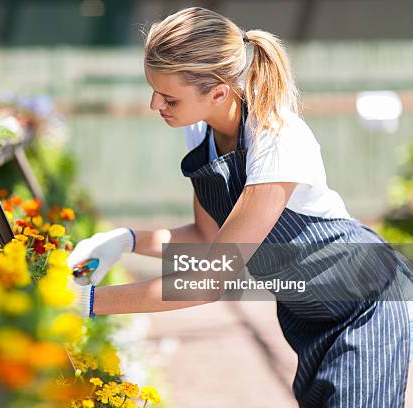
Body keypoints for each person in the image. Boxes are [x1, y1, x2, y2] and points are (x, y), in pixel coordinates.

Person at [66, 7, 413, 407]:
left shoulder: (276, 137)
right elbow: (206, 238)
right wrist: (124, 241)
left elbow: (210, 280)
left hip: (364, 302)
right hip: (307, 311)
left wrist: (87, 303)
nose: (154, 105)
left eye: (168, 97)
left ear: (217, 91)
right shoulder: (202, 132)